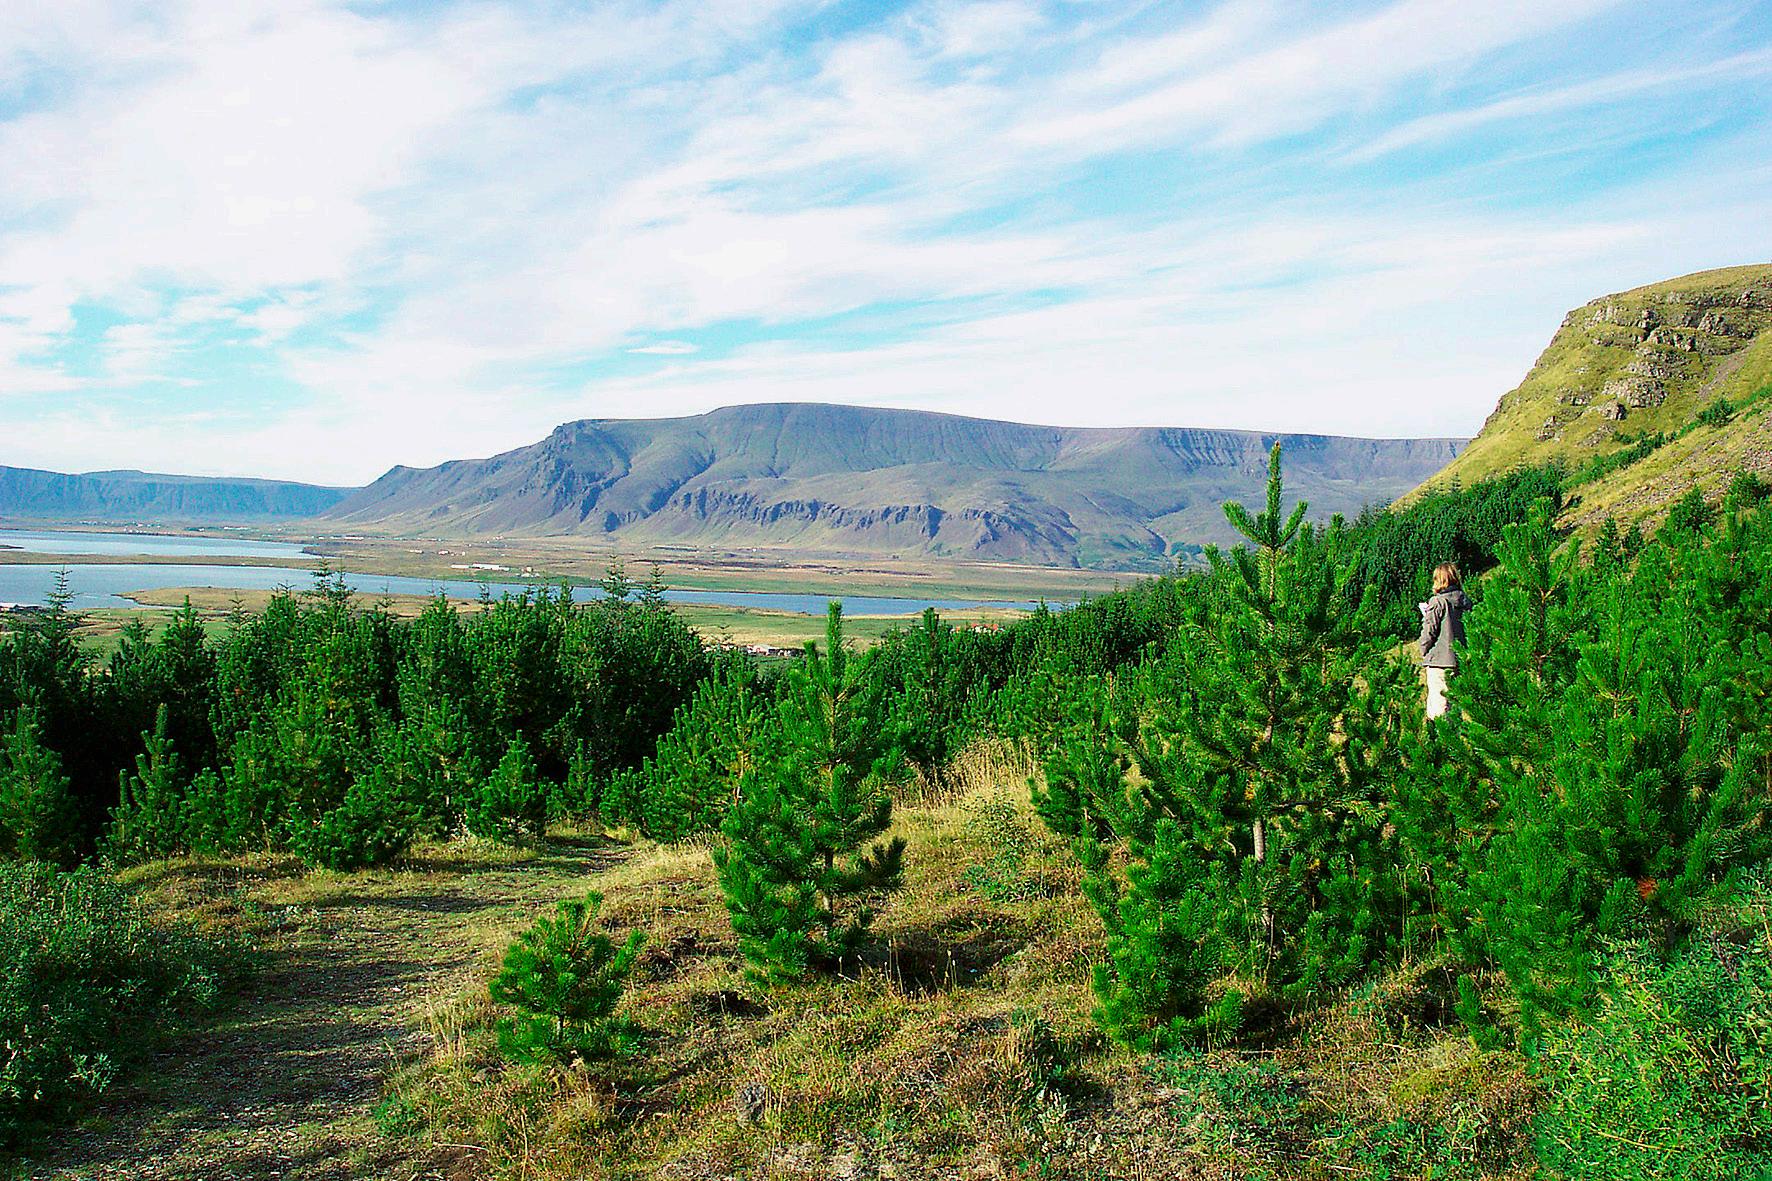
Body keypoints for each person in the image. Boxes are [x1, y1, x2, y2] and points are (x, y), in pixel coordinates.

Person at [1417, 562, 1469, 720]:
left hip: (1440, 661)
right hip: (1461, 659)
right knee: (1455, 707)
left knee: (1439, 708)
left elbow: (1429, 632)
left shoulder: (1438, 602)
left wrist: (1424, 651)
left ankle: (1439, 735)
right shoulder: (1465, 601)